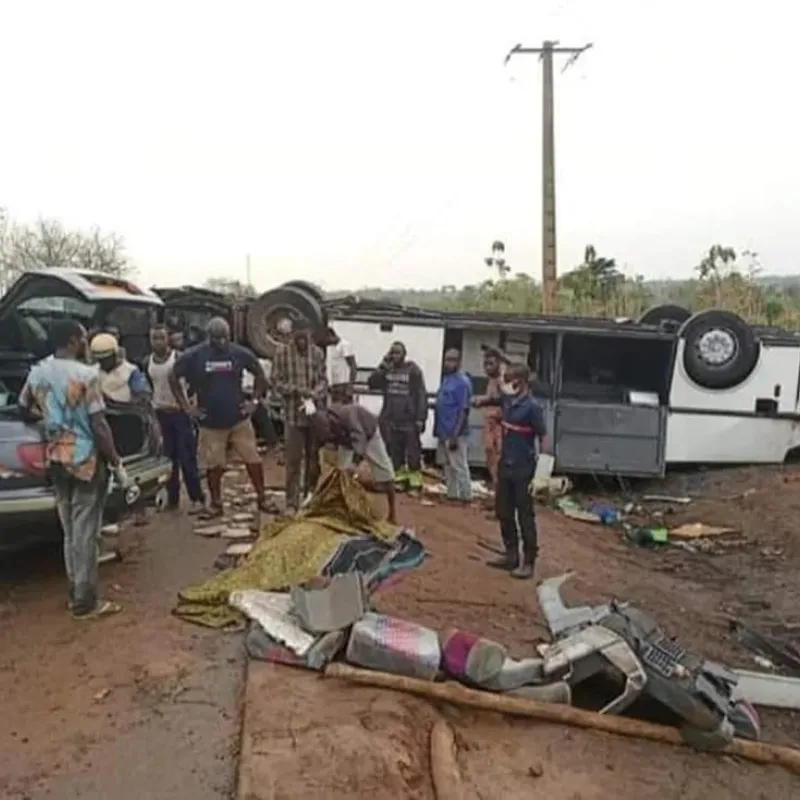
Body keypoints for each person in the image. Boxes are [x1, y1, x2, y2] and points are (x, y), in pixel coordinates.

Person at [19, 319, 127, 619]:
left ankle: (74, 592)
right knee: (86, 532)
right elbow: (99, 424)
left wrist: (51, 422)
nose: (85, 342)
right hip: (85, 460)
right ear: (71, 340)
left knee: (69, 530)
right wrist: (116, 461)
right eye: (82, 337)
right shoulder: (86, 375)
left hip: (56, 456)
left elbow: (23, 407)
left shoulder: (38, 372)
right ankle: (85, 602)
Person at [168, 317, 269, 520]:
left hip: (239, 420)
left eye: (225, 338)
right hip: (210, 423)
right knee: (214, 466)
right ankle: (216, 504)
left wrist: (255, 402)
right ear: (209, 337)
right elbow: (172, 376)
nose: (222, 342)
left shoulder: (239, 353)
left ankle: (263, 498)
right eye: (217, 339)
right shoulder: (195, 355)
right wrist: (187, 407)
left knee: (253, 459)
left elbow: (260, 374)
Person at [474, 362, 549, 580]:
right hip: (505, 463)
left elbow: (543, 435)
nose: (505, 384)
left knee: (525, 515)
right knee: (503, 511)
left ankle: (528, 562)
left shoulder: (532, 407)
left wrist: (544, 469)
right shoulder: (509, 399)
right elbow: (495, 399)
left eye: (509, 380)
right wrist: (480, 400)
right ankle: (511, 555)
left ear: (522, 381)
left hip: (523, 467)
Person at [90, 332, 153, 525]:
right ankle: (111, 512)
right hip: (103, 426)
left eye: (106, 359)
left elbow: (142, 396)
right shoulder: (92, 372)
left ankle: (138, 508)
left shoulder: (131, 371)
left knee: (132, 470)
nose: (104, 363)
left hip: (127, 424)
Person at [143, 325, 204, 513]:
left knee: (187, 459)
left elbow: (195, 381)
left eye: (161, 338)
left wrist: (190, 404)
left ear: (168, 339)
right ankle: (172, 499)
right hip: (160, 414)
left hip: (180, 414)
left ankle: (197, 498)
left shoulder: (179, 359)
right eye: (154, 338)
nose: (158, 342)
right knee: (168, 460)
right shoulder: (147, 362)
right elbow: (149, 386)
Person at [272, 322, 327, 513]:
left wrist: (315, 392)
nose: (302, 341)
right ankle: (291, 503)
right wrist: (296, 390)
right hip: (293, 415)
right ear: (293, 335)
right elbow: (276, 382)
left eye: (305, 337)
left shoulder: (318, 353)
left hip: (313, 415)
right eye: (299, 338)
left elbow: (323, 380)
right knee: (293, 461)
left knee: (314, 460)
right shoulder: (282, 353)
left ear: (310, 334)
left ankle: (309, 498)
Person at [312, 403, 397, 523]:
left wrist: (355, 464)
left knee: (386, 474)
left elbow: (360, 439)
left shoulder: (349, 416)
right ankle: (347, 509)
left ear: (331, 422)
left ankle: (393, 514)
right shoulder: (323, 423)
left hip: (368, 433)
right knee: (342, 476)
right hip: (347, 440)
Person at [367, 341, 427, 493]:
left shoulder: (413, 370)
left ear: (404, 354)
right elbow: (371, 383)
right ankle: (400, 481)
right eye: (392, 352)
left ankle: (415, 483)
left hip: (410, 419)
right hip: (391, 418)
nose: (395, 355)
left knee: (413, 452)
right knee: (395, 452)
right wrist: (382, 365)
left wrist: (421, 417)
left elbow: (421, 394)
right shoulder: (387, 370)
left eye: (398, 352)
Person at [434, 349, 473, 502]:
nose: (448, 363)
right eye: (446, 359)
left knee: (459, 465)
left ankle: (465, 496)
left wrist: (455, 435)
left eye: (452, 360)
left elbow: (464, 410)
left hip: (456, 432)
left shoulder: (462, 382)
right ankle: (452, 494)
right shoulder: (446, 379)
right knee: (447, 465)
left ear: (459, 362)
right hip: (443, 430)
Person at [475, 348, 505, 495]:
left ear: (498, 363)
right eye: (485, 364)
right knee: (490, 457)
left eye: (491, 364)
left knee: (499, 460)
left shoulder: (503, 380)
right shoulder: (491, 381)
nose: (487, 367)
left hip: (499, 426)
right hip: (490, 425)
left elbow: (506, 401)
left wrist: (485, 401)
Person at [325, 325, 357, 403]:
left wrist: (350, 385)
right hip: (334, 383)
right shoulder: (331, 347)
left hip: (344, 383)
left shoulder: (345, 345)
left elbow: (353, 366)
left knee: (345, 409)